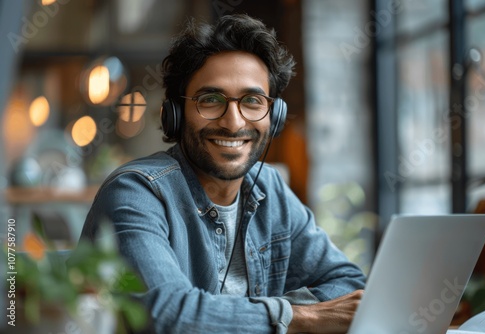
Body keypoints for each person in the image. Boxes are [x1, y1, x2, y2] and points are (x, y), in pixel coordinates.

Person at [79, 14, 365, 333]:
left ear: (276, 116)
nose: (233, 123)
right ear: (174, 114)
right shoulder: (135, 192)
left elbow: (349, 284)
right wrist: (299, 318)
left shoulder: (268, 186)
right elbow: (166, 314)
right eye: (211, 100)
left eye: (253, 101)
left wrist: (236, 317)